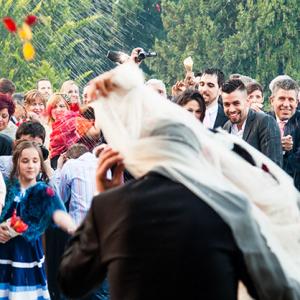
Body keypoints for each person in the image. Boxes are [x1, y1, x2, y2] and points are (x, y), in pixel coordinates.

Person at [58, 62, 300, 300]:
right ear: (197, 151)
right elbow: (278, 289)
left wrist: (104, 200)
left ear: (143, 151)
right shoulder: (231, 206)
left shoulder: (112, 207)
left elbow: (70, 282)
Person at [0, 140, 75, 300]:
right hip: (5, 256)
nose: (30, 165)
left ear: (41, 165)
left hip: (27, 257)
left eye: (35, 161)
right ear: (16, 163)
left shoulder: (43, 190)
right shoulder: (9, 188)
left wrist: (75, 229)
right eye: (25, 161)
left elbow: (58, 213)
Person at [222, 79, 282, 166]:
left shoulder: (265, 122)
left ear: (247, 101)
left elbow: (274, 167)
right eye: (227, 104)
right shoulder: (226, 127)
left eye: (236, 103)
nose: (231, 109)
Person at [269, 78, 300, 191]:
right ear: (272, 100)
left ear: (296, 102)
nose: (286, 104)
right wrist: (277, 146)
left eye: (291, 99)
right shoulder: (261, 121)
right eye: (281, 98)